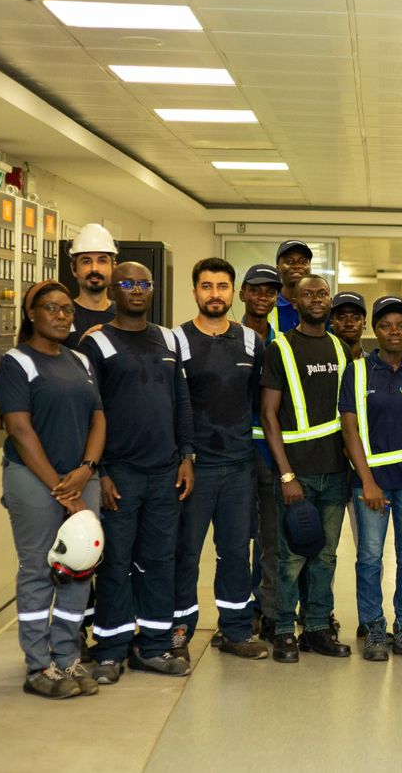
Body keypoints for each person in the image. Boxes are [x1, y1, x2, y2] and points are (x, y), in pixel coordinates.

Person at [80, 262, 194, 684]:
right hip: (120, 474)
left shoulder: (168, 339)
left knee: (159, 560)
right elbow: (90, 410)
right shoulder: (97, 342)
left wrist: (186, 455)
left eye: (144, 283)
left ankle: (154, 646)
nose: (137, 289)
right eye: (127, 283)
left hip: (165, 472)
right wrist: (103, 471)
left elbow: (182, 400)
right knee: (115, 562)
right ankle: (110, 649)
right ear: (113, 290)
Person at [0, 280, 105, 698]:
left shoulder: (80, 360)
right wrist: (62, 488)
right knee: (39, 570)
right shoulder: (16, 362)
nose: (61, 316)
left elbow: (98, 418)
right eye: (51, 308)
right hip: (33, 479)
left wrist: (86, 468)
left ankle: (67, 657)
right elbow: (19, 429)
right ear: (31, 314)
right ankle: (38, 666)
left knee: (79, 568)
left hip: (80, 477)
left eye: (66, 309)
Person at [171, 258, 267, 661]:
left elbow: (259, 401)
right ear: (195, 291)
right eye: (207, 286)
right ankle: (178, 631)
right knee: (185, 553)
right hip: (194, 468)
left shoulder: (251, 342)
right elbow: (171, 404)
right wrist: (183, 455)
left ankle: (236, 630)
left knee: (235, 553)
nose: (215, 294)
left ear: (233, 292)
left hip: (239, 466)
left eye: (222, 286)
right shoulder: (175, 341)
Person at [340, 296, 402, 662]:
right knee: (370, 557)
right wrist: (367, 480)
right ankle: (373, 629)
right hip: (371, 481)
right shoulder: (357, 371)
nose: (394, 331)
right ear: (375, 330)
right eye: (385, 325)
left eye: (401, 325)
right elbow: (349, 430)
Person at [260, 273, 352, 664]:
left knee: (325, 557)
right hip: (296, 474)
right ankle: (284, 629)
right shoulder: (280, 348)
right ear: (294, 302)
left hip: (335, 473)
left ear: (329, 300)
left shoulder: (341, 348)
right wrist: (286, 475)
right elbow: (268, 415)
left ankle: (316, 628)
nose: (316, 299)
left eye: (323, 293)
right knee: (291, 557)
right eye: (308, 294)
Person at [239, 264, 282, 637]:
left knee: (271, 539)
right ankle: (237, 614)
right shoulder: (228, 337)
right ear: (243, 294)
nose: (262, 297)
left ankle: (266, 610)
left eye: (270, 291)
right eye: (256, 290)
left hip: (270, 452)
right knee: (237, 538)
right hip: (234, 453)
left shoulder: (282, 343)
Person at [64, 223, 118, 348]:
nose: (94, 268)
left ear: (113, 267)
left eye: (102, 261)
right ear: (73, 269)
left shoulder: (124, 316)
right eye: (86, 261)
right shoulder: (60, 316)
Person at [269, 240, 313, 336]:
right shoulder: (267, 304)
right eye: (289, 261)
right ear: (277, 269)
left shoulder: (319, 307)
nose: (297, 266)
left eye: (303, 261)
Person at [330, 291, 367, 361]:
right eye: (342, 318)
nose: (349, 323)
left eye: (355, 318)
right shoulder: (321, 363)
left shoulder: (373, 365)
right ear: (332, 322)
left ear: (364, 323)